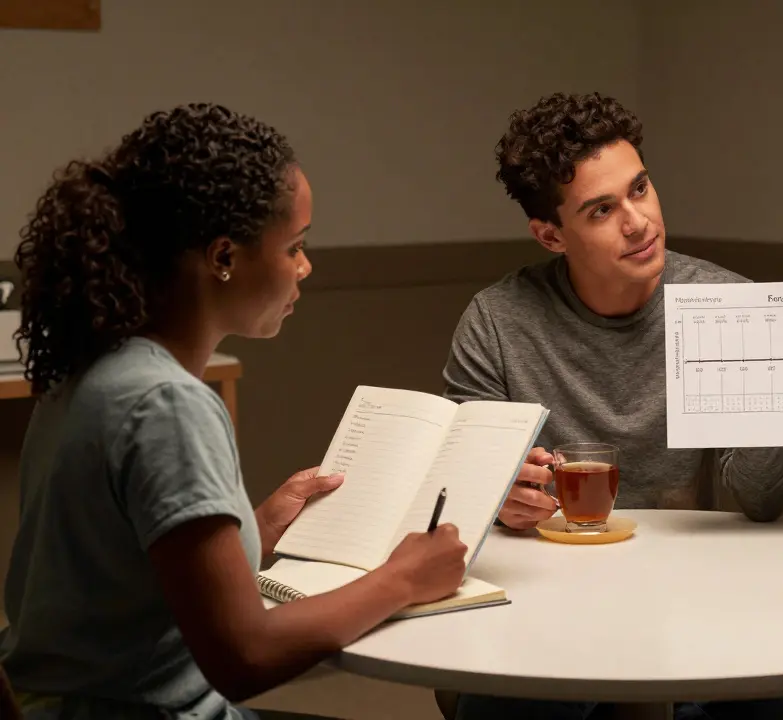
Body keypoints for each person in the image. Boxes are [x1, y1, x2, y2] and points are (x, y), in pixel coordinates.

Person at [0, 103, 469, 720]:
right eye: (295, 246)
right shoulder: (168, 404)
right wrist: (405, 577)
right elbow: (243, 657)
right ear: (224, 256)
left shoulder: (98, 368)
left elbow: (128, 572)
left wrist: (257, 525)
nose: (306, 266)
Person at [442, 92, 783, 719]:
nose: (637, 221)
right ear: (551, 234)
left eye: (640, 190)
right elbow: (459, 505)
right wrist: (501, 500)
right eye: (602, 209)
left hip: (694, 591)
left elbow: (763, 500)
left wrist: (775, 401)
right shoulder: (497, 322)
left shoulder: (729, 304)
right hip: (545, 603)